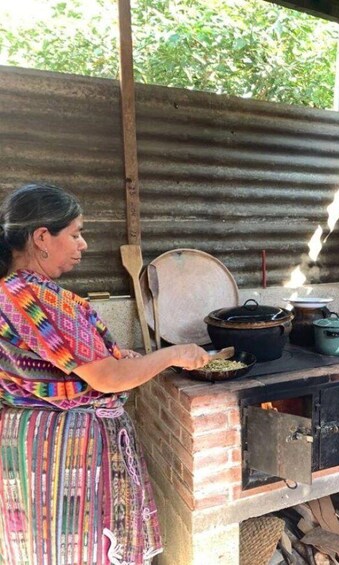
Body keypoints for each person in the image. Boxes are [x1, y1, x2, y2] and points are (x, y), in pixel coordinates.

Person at [0, 184, 211, 564]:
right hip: (66, 450)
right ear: (42, 237)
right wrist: (173, 354)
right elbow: (108, 378)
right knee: (83, 549)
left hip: (27, 444)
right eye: (76, 233)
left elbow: (55, 361)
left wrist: (117, 354)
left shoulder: (8, 292)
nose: (83, 245)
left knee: (43, 548)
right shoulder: (44, 298)